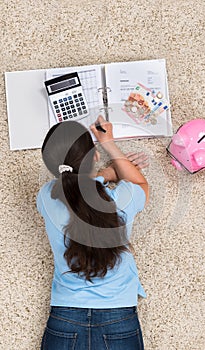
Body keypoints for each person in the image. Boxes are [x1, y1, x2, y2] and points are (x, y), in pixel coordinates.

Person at [37, 115, 149, 350]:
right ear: (95, 156)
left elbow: (76, 188)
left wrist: (103, 174)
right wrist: (109, 145)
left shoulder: (46, 197)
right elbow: (141, 184)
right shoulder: (122, 200)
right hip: (119, 316)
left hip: (65, 317)